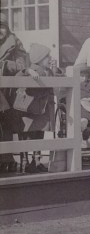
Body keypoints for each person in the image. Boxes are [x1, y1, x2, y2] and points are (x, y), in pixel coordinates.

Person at [14, 43, 62, 173]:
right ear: (39, 59)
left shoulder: (49, 70)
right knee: (26, 135)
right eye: (47, 56)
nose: (50, 58)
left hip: (43, 109)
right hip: (29, 109)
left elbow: (57, 80)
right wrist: (27, 70)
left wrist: (56, 71)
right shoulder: (32, 69)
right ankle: (25, 161)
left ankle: (37, 160)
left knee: (39, 134)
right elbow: (18, 76)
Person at [0, 13, 27, 173]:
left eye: (2, 26)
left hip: (8, 92)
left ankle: (7, 159)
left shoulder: (15, 43)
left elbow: (22, 64)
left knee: (6, 125)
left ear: (7, 28)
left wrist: (4, 65)